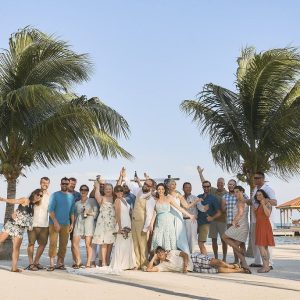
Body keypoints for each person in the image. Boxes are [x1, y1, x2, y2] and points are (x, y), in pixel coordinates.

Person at [121, 167, 156, 270]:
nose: (145, 185)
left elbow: (149, 214)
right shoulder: (139, 191)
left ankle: (144, 263)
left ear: (152, 187)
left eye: (148, 185)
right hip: (134, 221)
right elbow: (131, 185)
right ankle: (137, 263)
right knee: (135, 243)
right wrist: (125, 176)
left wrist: (146, 228)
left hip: (143, 223)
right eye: (145, 183)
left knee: (143, 244)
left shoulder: (151, 198)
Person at [0, 189, 43, 272]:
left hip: (20, 229)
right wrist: (3, 199)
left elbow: (27, 217)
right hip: (12, 224)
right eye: (38, 194)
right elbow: (14, 201)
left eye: (41, 196)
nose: (39, 196)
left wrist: (30, 226)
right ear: (34, 193)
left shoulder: (33, 206)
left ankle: (14, 268)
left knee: (16, 248)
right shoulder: (25, 200)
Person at [151, 183, 196, 252]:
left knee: (168, 239)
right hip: (159, 223)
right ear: (157, 190)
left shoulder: (168, 198)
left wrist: (190, 215)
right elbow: (154, 214)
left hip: (168, 221)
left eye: (162, 189)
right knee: (158, 240)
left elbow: (179, 208)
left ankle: (170, 258)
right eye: (159, 189)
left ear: (164, 190)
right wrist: (151, 225)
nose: (160, 191)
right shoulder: (155, 200)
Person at [197, 166, 227, 261]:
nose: (220, 184)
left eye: (221, 183)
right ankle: (216, 257)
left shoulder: (226, 193)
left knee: (223, 240)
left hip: (222, 220)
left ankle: (224, 258)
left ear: (224, 184)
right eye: (218, 183)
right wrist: (200, 173)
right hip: (212, 221)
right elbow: (204, 183)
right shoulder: (213, 190)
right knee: (214, 240)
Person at [146, 246, 246, 274]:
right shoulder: (162, 266)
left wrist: (185, 266)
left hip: (193, 259)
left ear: (164, 251)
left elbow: (185, 255)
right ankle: (239, 270)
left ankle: (231, 266)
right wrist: (154, 258)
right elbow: (149, 270)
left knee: (214, 261)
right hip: (194, 269)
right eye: (158, 253)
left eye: (161, 251)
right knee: (217, 270)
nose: (160, 254)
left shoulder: (171, 252)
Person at [249, 171, 277, 269]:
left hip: (265, 220)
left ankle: (269, 264)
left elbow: (275, 202)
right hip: (255, 220)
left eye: (257, 178)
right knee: (256, 242)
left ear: (262, 178)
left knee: (266, 244)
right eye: (254, 178)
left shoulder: (268, 189)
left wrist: (265, 201)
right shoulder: (255, 189)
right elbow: (253, 201)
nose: (255, 179)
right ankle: (258, 261)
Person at [47, 177, 75, 271]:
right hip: (54, 223)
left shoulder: (71, 197)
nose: (64, 185)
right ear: (60, 184)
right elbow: (50, 210)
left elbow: (72, 212)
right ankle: (51, 263)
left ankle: (60, 263)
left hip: (66, 224)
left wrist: (72, 224)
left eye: (66, 184)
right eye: (63, 183)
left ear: (69, 185)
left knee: (63, 244)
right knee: (53, 243)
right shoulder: (55, 195)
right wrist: (55, 222)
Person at [167, 180, 200, 255]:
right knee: (172, 237)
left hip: (178, 218)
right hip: (169, 218)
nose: (174, 185)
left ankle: (188, 255)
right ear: (168, 186)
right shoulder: (165, 196)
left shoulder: (179, 195)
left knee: (181, 237)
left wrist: (195, 201)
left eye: (175, 184)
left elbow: (186, 206)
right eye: (172, 184)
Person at [222, 186, 250, 273]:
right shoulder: (243, 201)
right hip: (243, 226)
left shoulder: (240, 202)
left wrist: (234, 221)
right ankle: (244, 264)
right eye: (235, 192)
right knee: (235, 245)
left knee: (224, 237)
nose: (236, 194)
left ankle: (241, 252)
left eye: (238, 192)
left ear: (242, 192)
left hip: (239, 226)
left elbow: (240, 213)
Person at [109, 185, 136, 271]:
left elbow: (129, 212)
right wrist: (120, 227)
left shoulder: (124, 200)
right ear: (115, 192)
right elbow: (117, 214)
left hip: (127, 221)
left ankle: (128, 263)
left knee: (128, 242)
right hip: (122, 223)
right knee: (121, 243)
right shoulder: (117, 201)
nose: (119, 192)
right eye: (117, 191)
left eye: (121, 191)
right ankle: (121, 264)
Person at [26, 177, 51, 271]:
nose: (45, 184)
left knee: (43, 244)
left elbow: (51, 210)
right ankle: (31, 264)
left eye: (47, 183)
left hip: (44, 224)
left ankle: (36, 262)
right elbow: (26, 205)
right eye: (43, 182)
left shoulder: (49, 196)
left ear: (49, 184)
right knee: (31, 244)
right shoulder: (34, 193)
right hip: (32, 224)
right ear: (40, 183)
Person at [72, 185, 98, 268]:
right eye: (82, 189)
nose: (83, 191)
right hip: (79, 223)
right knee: (74, 243)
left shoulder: (92, 201)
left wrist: (89, 213)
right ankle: (79, 261)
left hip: (89, 223)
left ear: (88, 191)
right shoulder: (77, 203)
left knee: (88, 244)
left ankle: (88, 263)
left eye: (86, 190)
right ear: (80, 190)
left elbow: (96, 213)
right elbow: (74, 215)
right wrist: (72, 225)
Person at [93, 182, 116, 266]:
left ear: (112, 190)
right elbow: (96, 195)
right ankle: (103, 262)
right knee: (104, 242)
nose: (108, 190)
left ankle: (108, 260)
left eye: (110, 189)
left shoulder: (114, 198)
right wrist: (97, 186)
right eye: (106, 189)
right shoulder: (102, 198)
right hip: (103, 222)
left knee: (110, 242)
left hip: (112, 222)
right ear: (104, 190)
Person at [196, 180, 221, 256]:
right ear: (202, 187)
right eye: (204, 186)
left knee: (200, 242)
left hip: (205, 223)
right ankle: (202, 258)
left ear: (210, 187)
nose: (206, 188)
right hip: (196, 222)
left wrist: (212, 218)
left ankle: (205, 259)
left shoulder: (213, 198)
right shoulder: (198, 196)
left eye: (208, 186)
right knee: (194, 241)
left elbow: (219, 212)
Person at [254, 189, 275, 273]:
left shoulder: (267, 203)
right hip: (260, 226)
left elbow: (268, 214)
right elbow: (258, 217)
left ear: (264, 195)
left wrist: (263, 204)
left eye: (260, 194)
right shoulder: (259, 204)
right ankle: (266, 266)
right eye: (257, 195)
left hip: (264, 226)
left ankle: (265, 266)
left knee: (261, 247)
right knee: (264, 248)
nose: (258, 196)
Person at [182, 182, 200, 253]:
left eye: (189, 187)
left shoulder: (195, 198)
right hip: (182, 221)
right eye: (186, 187)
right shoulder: (181, 198)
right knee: (183, 240)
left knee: (192, 240)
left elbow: (201, 208)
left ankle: (192, 256)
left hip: (192, 221)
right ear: (183, 189)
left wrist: (205, 208)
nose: (188, 189)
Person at [69, 177, 82, 266]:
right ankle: (59, 261)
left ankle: (75, 261)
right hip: (64, 220)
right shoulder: (62, 193)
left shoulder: (78, 195)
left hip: (75, 221)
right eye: (71, 184)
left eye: (74, 184)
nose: (72, 186)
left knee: (74, 242)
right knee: (63, 242)